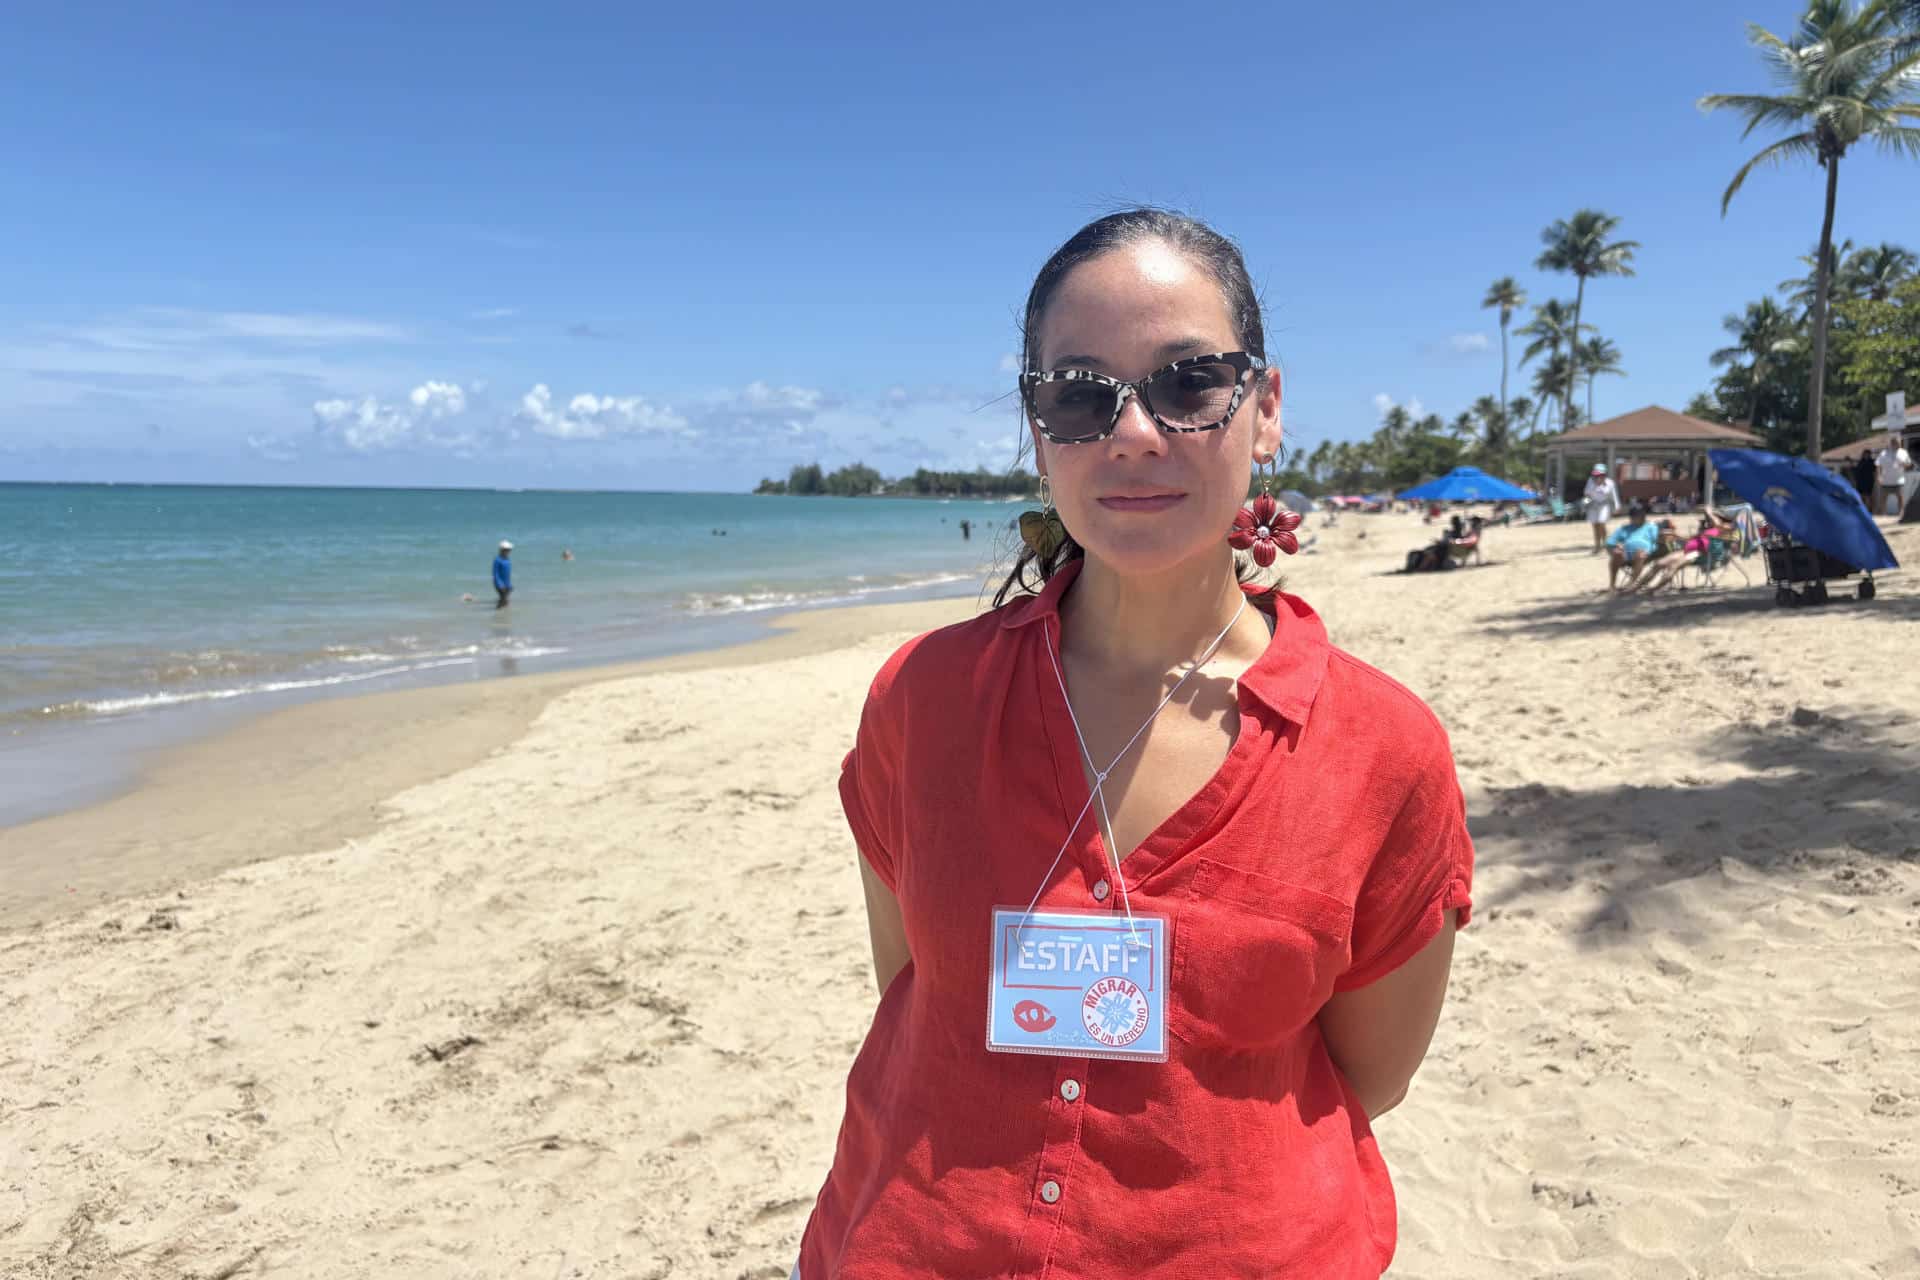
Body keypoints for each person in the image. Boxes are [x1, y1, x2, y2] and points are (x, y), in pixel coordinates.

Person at [795, 210, 1473, 1279]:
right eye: (1079, 392)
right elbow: (918, 986)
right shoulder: (925, 701)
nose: (1134, 432)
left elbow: (1370, 1073)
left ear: (1267, 410)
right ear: (1038, 430)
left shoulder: (1380, 749)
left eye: (1189, 381)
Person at [1604, 504, 1665, 590]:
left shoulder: (1651, 527)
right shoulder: (1624, 528)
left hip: (1646, 554)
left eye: (1642, 515)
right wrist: (1616, 547)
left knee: (1639, 553)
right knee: (1616, 553)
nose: (1641, 517)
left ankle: (1630, 584)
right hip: (1626, 555)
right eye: (1637, 515)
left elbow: (1658, 540)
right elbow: (1609, 543)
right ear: (1631, 517)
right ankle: (1612, 585)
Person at [1584, 464, 1620, 554]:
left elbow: (1614, 496)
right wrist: (1595, 486)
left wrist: (1617, 506)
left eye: (1599, 475)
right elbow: (1586, 493)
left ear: (1604, 475)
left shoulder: (1610, 483)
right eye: (1595, 475)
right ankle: (1597, 546)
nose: (1597, 477)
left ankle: (1606, 545)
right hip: (1593, 505)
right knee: (1595, 526)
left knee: (1601, 523)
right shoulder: (1590, 481)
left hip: (1604, 505)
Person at [1874, 433, 1912, 518]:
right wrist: (1878, 476)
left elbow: (1909, 464)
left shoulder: (1903, 452)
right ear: (1892, 443)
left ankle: (1901, 513)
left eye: (1899, 442)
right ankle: (1883, 514)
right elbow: (1878, 465)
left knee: (1900, 497)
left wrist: (1904, 464)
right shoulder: (1884, 453)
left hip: (1899, 480)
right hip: (1886, 480)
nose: (1898, 444)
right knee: (1883, 498)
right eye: (1896, 442)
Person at [492, 540, 513, 608]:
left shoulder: (507, 559)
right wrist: (500, 584)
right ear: (501, 550)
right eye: (506, 550)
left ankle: (504, 615)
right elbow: (495, 574)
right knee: (503, 600)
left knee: (505, 600)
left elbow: (507, 574)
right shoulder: (497, 560)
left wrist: (509, 585)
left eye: (509, 550)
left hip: (507, 584)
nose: (508, 552)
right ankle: (497, 613)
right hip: (499, 584)